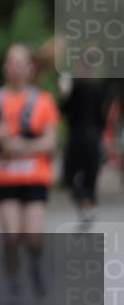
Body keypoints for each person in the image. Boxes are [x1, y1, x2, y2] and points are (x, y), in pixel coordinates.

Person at [0, 44, 59, 305]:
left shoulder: (43, 101)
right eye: (11, 62)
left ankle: (35, 262)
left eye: (20, 63)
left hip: (35, 177)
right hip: (5, 179)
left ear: (30, 68)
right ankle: (13, 282)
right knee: (11, 236)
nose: (15, 68)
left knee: (33, 238)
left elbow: (50, 141)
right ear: (5, 68)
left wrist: (23, 147)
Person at [58, 66, 109, 229]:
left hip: (77, 138)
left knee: (69, 175)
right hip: (94, 137)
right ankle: (89, 205)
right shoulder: (98, 88)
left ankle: (85, 203)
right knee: (90, 175)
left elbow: (63, 110)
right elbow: (102, 118)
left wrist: (65, 94)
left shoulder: (75, 88)